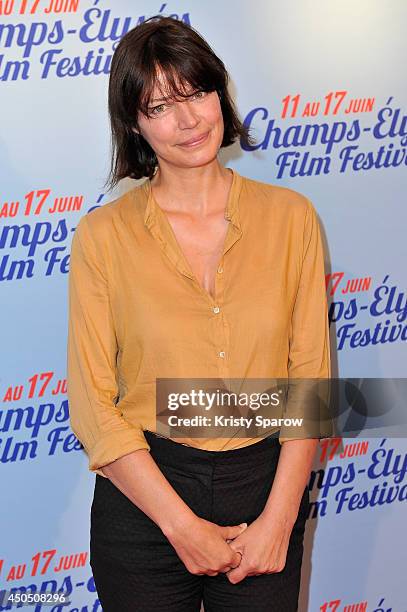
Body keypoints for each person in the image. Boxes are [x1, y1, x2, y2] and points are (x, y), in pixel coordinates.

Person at [67, 14, 331, 612]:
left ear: (221, 95)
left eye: (196, 93)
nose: (188, 121)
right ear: (133, 125)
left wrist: (280, 519)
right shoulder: (104, 236)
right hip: (146, 498)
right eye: (159, 106)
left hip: (266, 489)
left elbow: (310, 382)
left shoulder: (292, 218)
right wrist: (182, 528)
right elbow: (92, 405)